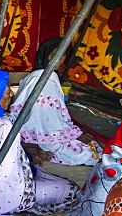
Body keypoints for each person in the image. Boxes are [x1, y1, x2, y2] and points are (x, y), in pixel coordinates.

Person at [0, 70, 79, 216]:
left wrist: (28, 153)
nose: (11, 95)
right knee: (71, 191)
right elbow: (12, 177)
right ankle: (13, 213)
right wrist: (30, 166)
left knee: (45, 176)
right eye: (6, 91)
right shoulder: (2, 126)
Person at [9, 37, 98, 166]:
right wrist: (75, 134)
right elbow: (47, 118)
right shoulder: (43, 78)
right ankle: (36, 147)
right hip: (42, 132)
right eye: (54, 54)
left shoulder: (39, 75)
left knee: (91, 147)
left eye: (63, 55)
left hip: (30, 130)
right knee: (87, 153)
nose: (60, 59)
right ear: (45, 55)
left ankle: (34, 146)